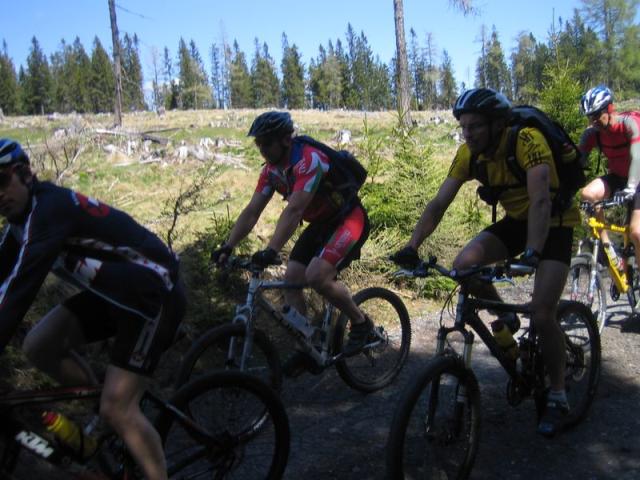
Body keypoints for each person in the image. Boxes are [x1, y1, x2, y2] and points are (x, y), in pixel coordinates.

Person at [391, 88, 581, 437]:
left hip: (555, 222)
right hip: (517, 222)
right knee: (463, 265)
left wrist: (532, 254)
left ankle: (557, 394)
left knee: (542, 313)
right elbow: (439, 203)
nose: (468, 133)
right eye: (463, 126)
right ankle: (505, 316)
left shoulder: (527, 140)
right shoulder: (468, 154)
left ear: (497, 125)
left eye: (475, 126)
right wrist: (412, 246)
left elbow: (541, 200)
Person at [0, 139, 186, 480]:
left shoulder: (47, 211)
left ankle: (120, 417)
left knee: (119, 408)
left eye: (2, 180)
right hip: (115, 294)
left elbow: (18, 292)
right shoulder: (20, 221)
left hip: (154, 294)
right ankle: (106, 425)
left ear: (25, 174)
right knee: (39, 346)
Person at [211, 111, 371, 361]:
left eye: (267, 143)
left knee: (317, 276)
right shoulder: (271, 172)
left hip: (348, 219)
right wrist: (228, 246)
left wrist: (272, 250)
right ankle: (306, 346)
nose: (262, 149)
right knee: (291, 281)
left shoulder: (309, 159)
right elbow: (252, 211)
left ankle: (361, 323)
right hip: (321, 224)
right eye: (258, 143)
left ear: (286, 140)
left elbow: (295, 210)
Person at [578, 85, 640, 293]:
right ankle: (608, 247)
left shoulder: (629, 124)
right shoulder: (592, 134)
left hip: (638, 178)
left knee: (636, 233)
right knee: (588, 193)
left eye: (597, 115)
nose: (593, 121)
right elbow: (576, 163)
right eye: (590, 117)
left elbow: (637, 156)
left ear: (610, 109)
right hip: (617, 177)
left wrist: (631, 188)